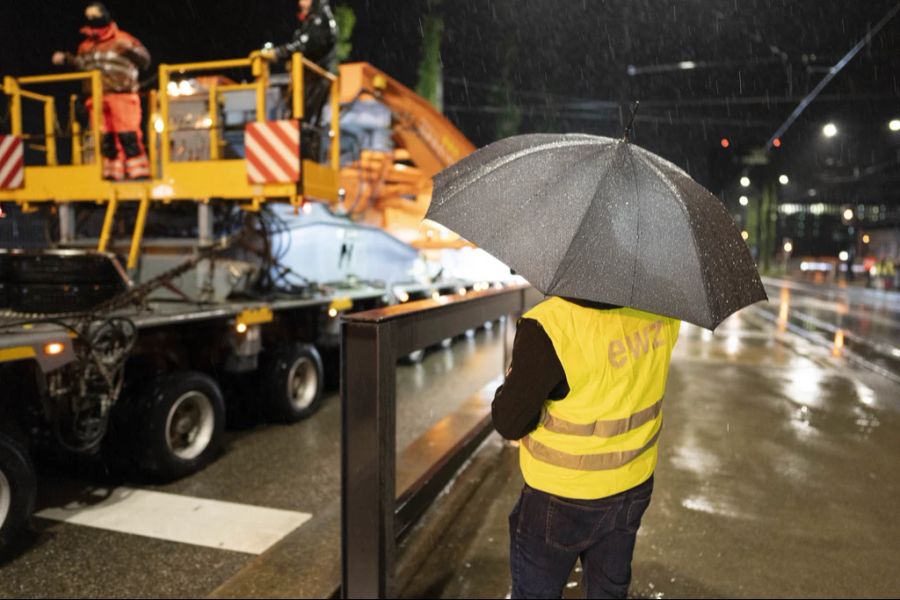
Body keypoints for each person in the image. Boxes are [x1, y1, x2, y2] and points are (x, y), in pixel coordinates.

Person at [492, 296, 680, 599]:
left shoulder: (549, 326)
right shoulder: (664, 308)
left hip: (559, 495)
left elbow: (509, 421)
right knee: (609, 590)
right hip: (632, 485)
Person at [52, 3, 151, 180]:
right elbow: (82, 65)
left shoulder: (123, 39)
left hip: (121, 94)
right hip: (96, 98)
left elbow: (145, 60)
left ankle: (139, 172)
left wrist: (130, 51)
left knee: (127, 134)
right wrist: (66, 59)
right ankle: (113, 173)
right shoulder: (86, 46)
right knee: (106, 138)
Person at [261, 0, 339, 127]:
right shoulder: (315, 18)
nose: (300, 3)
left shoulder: (320, 18)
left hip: (316, 79)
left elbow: (307, 44)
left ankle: (304, 138)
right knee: (304, 119)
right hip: (312, 78)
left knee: (305, 120)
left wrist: (280, 52)